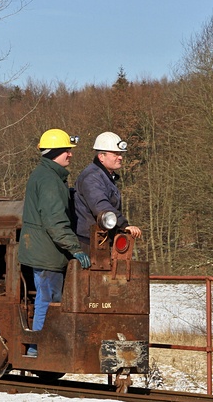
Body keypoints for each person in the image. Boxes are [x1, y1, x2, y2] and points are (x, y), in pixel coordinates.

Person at [18, 128, 91, 357]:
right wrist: (75, 249)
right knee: (48, 300)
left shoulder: (47, 176)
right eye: (67, 151)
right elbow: (55, 221)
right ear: (56, 152)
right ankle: (37, 348)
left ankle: (40, 346)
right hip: (47, 253)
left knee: (48, 298)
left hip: (44, 250)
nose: (70, 154)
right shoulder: (49, 180)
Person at [74, 131, 142, 251]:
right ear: (101, 157)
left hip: (101, 239)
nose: (120, 157)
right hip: (89, 243)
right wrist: (124, 225)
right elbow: (101, 206)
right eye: (115, 154)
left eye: (120, 154)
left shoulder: (104, 176)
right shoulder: (92, 177)